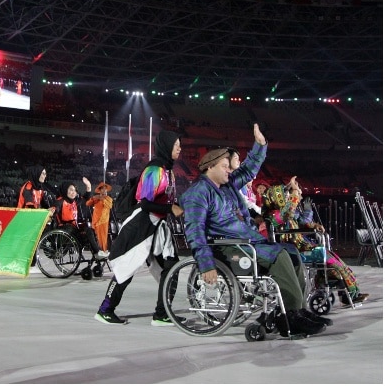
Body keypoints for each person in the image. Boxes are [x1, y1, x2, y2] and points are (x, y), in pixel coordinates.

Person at [179, 124, 331, 337]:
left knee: (291, 252)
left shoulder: (227, 185)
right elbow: (195, 231)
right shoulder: (199, 193)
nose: (230, 170)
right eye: (225, 166)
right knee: (279, 256)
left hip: (246, 242)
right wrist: (206, 264)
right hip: (228, 247)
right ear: (210, 167)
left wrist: (260, 145)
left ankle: (297, 309)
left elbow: (248, 169)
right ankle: (291, 316)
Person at [95, 130, 184, 326]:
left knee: (171, 267)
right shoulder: (154, 170)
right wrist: (170, 208)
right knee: (126, 268)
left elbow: (164, 201)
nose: (180, 148)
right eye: (176, 144)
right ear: (166, 146)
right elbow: (144, 203)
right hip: (141, 225)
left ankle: (162, 313)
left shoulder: (168, 171)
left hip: (157, 226)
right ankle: (105, 310)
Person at [263, 178, 369, 307]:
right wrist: (295, 193)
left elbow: (301, 221)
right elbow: (288, 213)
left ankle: (348, 293)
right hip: (294, 250)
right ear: (276, 198)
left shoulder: (285, 212)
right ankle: (345, 294)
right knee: (331, 261)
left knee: (334, 260)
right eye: (285, 196)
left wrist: (314, 225)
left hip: (303, 247)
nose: (287, 198)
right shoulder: (273, 215)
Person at [54, 178, 107, 258]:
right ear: (65, 189)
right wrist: (53, 209)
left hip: (74, 229)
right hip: (65, 228)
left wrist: (88, 186)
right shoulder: (61, 200)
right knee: (71, 228)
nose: (73, 192)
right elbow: (56, 207)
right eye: (71, 190)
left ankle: (97, 252)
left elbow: (86, 198)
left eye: (75, 190)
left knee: (89, 229)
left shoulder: (75, 201)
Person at [85, 182, 113, 256]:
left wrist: (102, 199)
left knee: (103, 237)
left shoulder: (108, 199)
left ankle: (104, 251)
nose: (104, 191)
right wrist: (93, 198)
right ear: (100, 191)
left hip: (103, 221)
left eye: (105, 189)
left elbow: (109, 206)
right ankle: (98, 252)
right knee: (96, 238)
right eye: (103, 189)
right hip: (95, 221)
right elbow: (87, 203)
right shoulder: (96, 199)